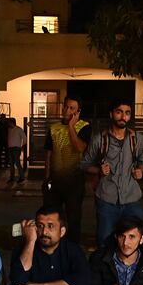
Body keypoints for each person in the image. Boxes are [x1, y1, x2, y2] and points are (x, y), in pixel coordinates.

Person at [82, 99, 143, 247]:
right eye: (119, 112)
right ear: (111, 114)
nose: (123, 116)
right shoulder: (100, 138)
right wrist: (98, 170)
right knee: (105, 242)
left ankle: (137, 269)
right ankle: (104, 269)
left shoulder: (137, 138)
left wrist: (140, 171)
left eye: (127, 113)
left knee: (142, 239)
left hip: (131, 198)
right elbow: (84, 164)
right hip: (106, 199)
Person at [42, 95, 92, 244]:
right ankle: (54, 245)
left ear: (78, 112)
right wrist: (46, 179)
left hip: (74, 182)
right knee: (52, 217)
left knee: (73, 219)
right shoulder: (53, 128)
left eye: (72, 108)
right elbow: (48, 155)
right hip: (55, 182)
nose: (67, 110)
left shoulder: (84, 127)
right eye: (66, 106)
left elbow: (79, 148)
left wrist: (71, 126)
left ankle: (73, 249)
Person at [6, 118, 27, 184]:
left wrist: (22, 147)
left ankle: (22, 177)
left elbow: (25, 139)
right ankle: (12, 177)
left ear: (12, 122)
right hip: (10, 148)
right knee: (11, 164)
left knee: (17, 163)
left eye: (9, 122)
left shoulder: (19, 129)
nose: (8, 124)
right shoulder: (9, 130)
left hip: (16, 149)